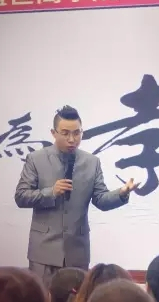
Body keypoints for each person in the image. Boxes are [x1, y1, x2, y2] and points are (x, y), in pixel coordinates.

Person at [15, 105, 139, 287]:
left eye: (76, 133)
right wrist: (51, 192)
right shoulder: (36, 159)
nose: (72, 139)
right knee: (43, 301)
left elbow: (101, 199)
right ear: (53, 133)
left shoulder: (92, 162)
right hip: (43, 252)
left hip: (77, 252)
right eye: (65, 133)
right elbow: (21, 196)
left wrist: (121, 193)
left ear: (82, 132)